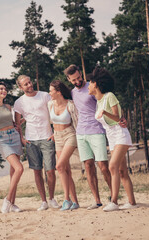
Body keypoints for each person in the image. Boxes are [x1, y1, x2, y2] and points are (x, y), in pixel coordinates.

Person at [88, 67, 138, 212]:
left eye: (90, 83)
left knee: (112, 166)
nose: (88, 86)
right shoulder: (99, 101)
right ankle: (132, 202)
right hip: (111, 137)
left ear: (96, 83)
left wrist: (105, 112)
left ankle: (114, 202)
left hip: (120, 134)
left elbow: (118, 118)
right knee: (122, 171)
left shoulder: (109, 96)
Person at [64, 64, 112, 210]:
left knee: (103, 166)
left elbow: (106, 103)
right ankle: (97, 200)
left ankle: (113, 195)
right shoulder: (72, 93)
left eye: (79, 78)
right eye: (73, 80)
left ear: (81, 74)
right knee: (88, 166)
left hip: (96, 130)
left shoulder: (92, 87)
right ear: (69, 79)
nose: (77, 81)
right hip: (81, 132)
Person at [13, 75, 60, 211]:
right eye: (26, 84)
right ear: (20, 87)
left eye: (30, 82)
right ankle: (43, 201)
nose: (29, 85)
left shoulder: (45, 96)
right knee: (37, 171)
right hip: (31, 140)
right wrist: (22, 138)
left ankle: (51, 198)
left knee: (50, 170)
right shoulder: (19, 102)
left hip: (47, 137)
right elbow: (17, 122)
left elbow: (55, 111)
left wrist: (54, 132)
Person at [0, 82, 24, 213]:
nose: (4, 91)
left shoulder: (8, 106)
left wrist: (19, 124)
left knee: (14, 173)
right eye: (1, 89)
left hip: (14, 136)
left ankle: (12, 203)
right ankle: (7, 200)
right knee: (19, 168)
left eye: (5, 89)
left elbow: (13, 123)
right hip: (3, 140)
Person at [48, 80, 80, 211]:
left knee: (59, 166)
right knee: (65, 170)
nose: (49, 93)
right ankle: (75, 202)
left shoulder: (71, 105)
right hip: (57, 136)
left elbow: (77, 123)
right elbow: (50, 121)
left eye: (51, 91)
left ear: (58, 92)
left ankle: (66, 200)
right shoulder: (50, 104)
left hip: (70, 135)